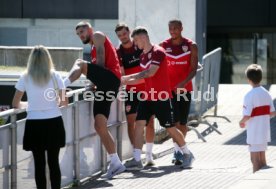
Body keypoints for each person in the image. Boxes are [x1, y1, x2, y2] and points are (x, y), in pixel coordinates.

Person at [121, 26, 194, 170]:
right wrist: (122, 81)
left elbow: (150, 73)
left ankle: (187, 154)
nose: (135, 44)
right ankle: (137, 159)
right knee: (139, 124)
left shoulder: (158, 52)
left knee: (170, 128)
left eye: (135, 40)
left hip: (162, 98)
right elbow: (142, 79)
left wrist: (127, 77)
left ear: (143, 37)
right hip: (147, 97)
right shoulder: (142, 55)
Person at [63, 21, 125, 179]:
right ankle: (116, 163)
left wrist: (96, 80)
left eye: (82, 31)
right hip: (106, 85)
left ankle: (61, 84)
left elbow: (102, 62)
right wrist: (96, 82)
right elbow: (98, 66)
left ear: (89, 29)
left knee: (80, 63)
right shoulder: (91, 48)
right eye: (78, 34)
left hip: (110, 80)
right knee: (99, 125)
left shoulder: (97, 36)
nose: (81, 35)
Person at [12, 45, 67, 189]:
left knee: (39, 164)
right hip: (54, 122)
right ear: (47, 59)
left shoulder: (25, 76)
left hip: (34, 124)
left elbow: (15, 103)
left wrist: (30, 105)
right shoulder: (55, 75)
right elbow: (64, 101)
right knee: (54, 162)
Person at [115, 23, 155, 166]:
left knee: (149, 122)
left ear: (129, 32)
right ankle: (136, 154)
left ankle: (149, 155)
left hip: (147, 90)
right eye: (119, 35)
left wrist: (137, 80)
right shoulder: (118, 52)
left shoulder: (140, 46)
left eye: (124, 34)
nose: (122, 37)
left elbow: (150, 70)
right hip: (132, 92)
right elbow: (122, 76)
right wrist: (134, 81)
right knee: (131, 123)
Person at [159, 19, 197, 165]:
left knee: (182, 122)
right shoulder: (163, 45)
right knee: (173, 122)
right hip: (168, 91)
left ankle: (180, 150)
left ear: (181, 28)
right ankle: (177, 151)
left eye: (176, 28)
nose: (173, 31)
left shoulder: (191, 45)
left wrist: (183, 83)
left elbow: (193, 70)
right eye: (171, 28)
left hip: (184, 89)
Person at [239, 64, 276, 173]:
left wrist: (241, 122)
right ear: (261, 78)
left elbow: (247, 115)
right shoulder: (267, 93)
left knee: (254, 159)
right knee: (262, 159)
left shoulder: (249, 95)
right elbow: (273, 112)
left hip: (254, 132)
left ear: (249, 80)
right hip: (264, 131)